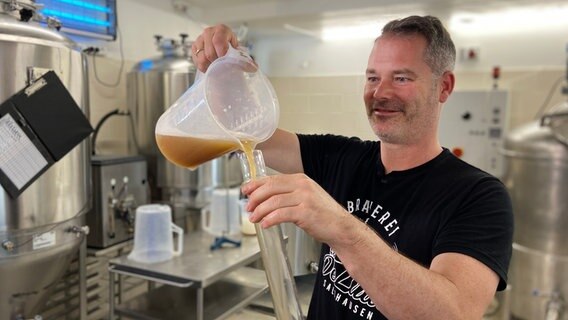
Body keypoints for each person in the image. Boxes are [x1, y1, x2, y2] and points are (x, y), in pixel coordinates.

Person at [192, 15, 513, 320]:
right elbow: (242, 132)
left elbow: (454, 313)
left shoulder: (478, 196)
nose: (380, 92)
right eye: (373, 77)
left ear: (444, 87)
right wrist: (223, 71)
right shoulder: (343, 156)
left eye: (401, 78)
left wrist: (343, 230)